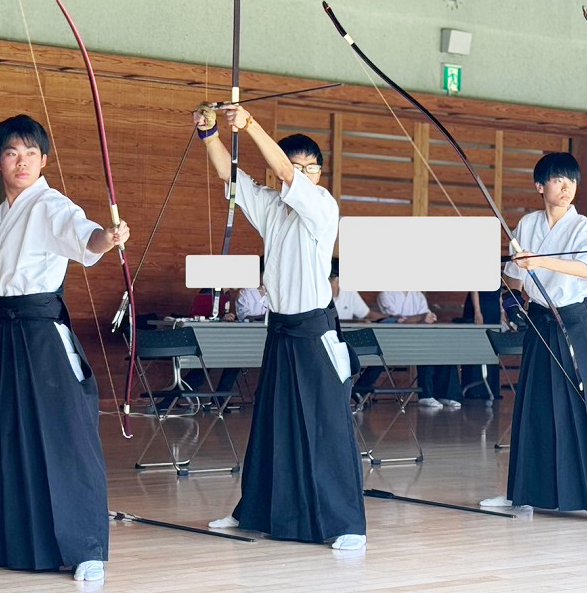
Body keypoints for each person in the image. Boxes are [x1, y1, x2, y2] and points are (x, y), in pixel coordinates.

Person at [0, 114, 130, 582]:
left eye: (32, 153)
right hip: (7, 332)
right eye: (13, 153)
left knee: (63, 436)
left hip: (40, 333)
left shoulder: (52, 205)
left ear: (44, 160)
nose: (23, 162)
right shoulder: (1, 217)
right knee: (0, 436)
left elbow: (86, 237)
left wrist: (108, 236)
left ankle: (85, 549)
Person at [194, 102, 366, 550]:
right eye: (294, 166)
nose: (302, 173)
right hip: (280, 332)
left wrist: (248, 125)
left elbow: (287, 176)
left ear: (320, 175)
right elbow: (230, 179)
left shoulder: (322, 208)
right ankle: (255, 509)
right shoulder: (272, 206)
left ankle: (345, 523)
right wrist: (210, 133)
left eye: (312, 168)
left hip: (314, 333)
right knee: (271, 425)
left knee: (325, 427)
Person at [480, 152, 587, 526]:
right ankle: (524, 493)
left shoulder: (585, 229)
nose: (566, 188)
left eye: (572, 182)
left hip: (575, 324)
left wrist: (541, 261)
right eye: (558, 181)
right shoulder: (528, 223)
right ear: (540, 186)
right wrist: (508, 288)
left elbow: (585, 270)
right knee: (534, 408)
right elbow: (515, 277)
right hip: (539, 323)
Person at [376, 290, 459, 408]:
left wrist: (428, 318)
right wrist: (421, 317)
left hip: (418, 337)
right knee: (422, 348)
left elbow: (426, 317)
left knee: (443, 346)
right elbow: (397, 320)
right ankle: (426, 395)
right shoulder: (386, 294)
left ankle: (447, 394)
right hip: (394, 340)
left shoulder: (418, 295)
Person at [461, 289, 503, 401]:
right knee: (476, 347)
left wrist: (502, 313)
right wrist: (477, 311)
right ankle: (474, 390)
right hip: (479, 306)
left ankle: (491, 389)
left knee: (492, 348)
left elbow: (499, 294)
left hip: (493, 309)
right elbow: (474, 289)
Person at [329, 258, 385, 322]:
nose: (329, 282)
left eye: (332, 278)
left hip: (346, 331)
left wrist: (390, 319)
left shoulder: (348, 292)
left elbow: (366, 313)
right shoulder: (318, 296)